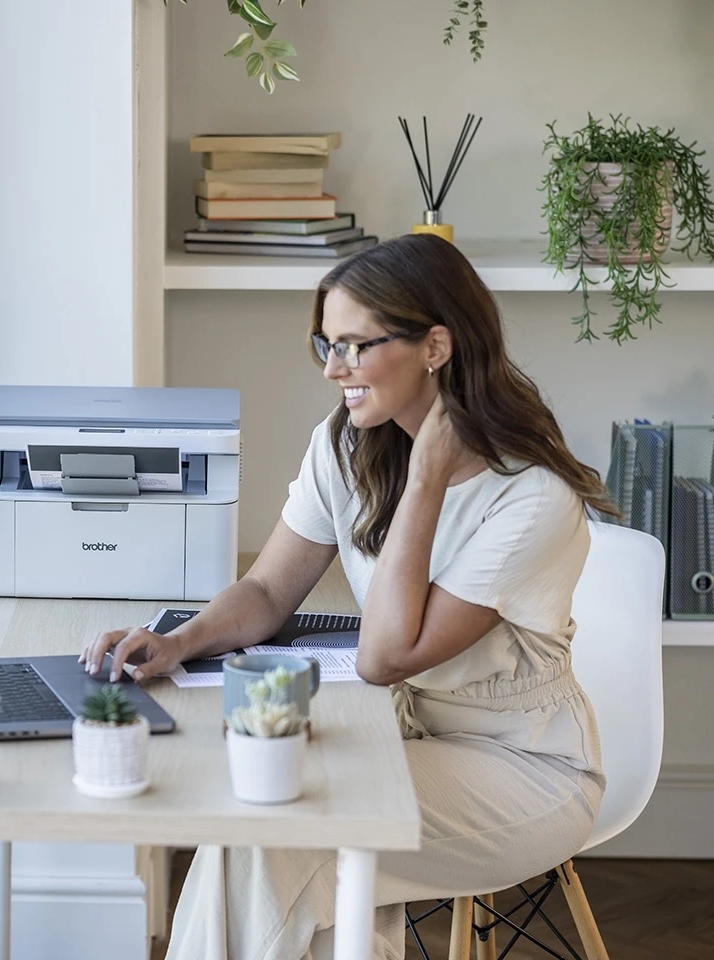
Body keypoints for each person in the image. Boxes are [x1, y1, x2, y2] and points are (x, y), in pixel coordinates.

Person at [80, 234, 616, 960]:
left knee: (281, 838)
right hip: (393, 733)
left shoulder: (530, 495)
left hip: (520, 763)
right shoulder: (346, 446)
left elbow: (387, 655)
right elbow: (270, 589)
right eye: (324, 345)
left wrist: (426, 477)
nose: (334, 369)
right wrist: (179, 642)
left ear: (435, 346)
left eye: (355, 347)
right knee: (276, 834)